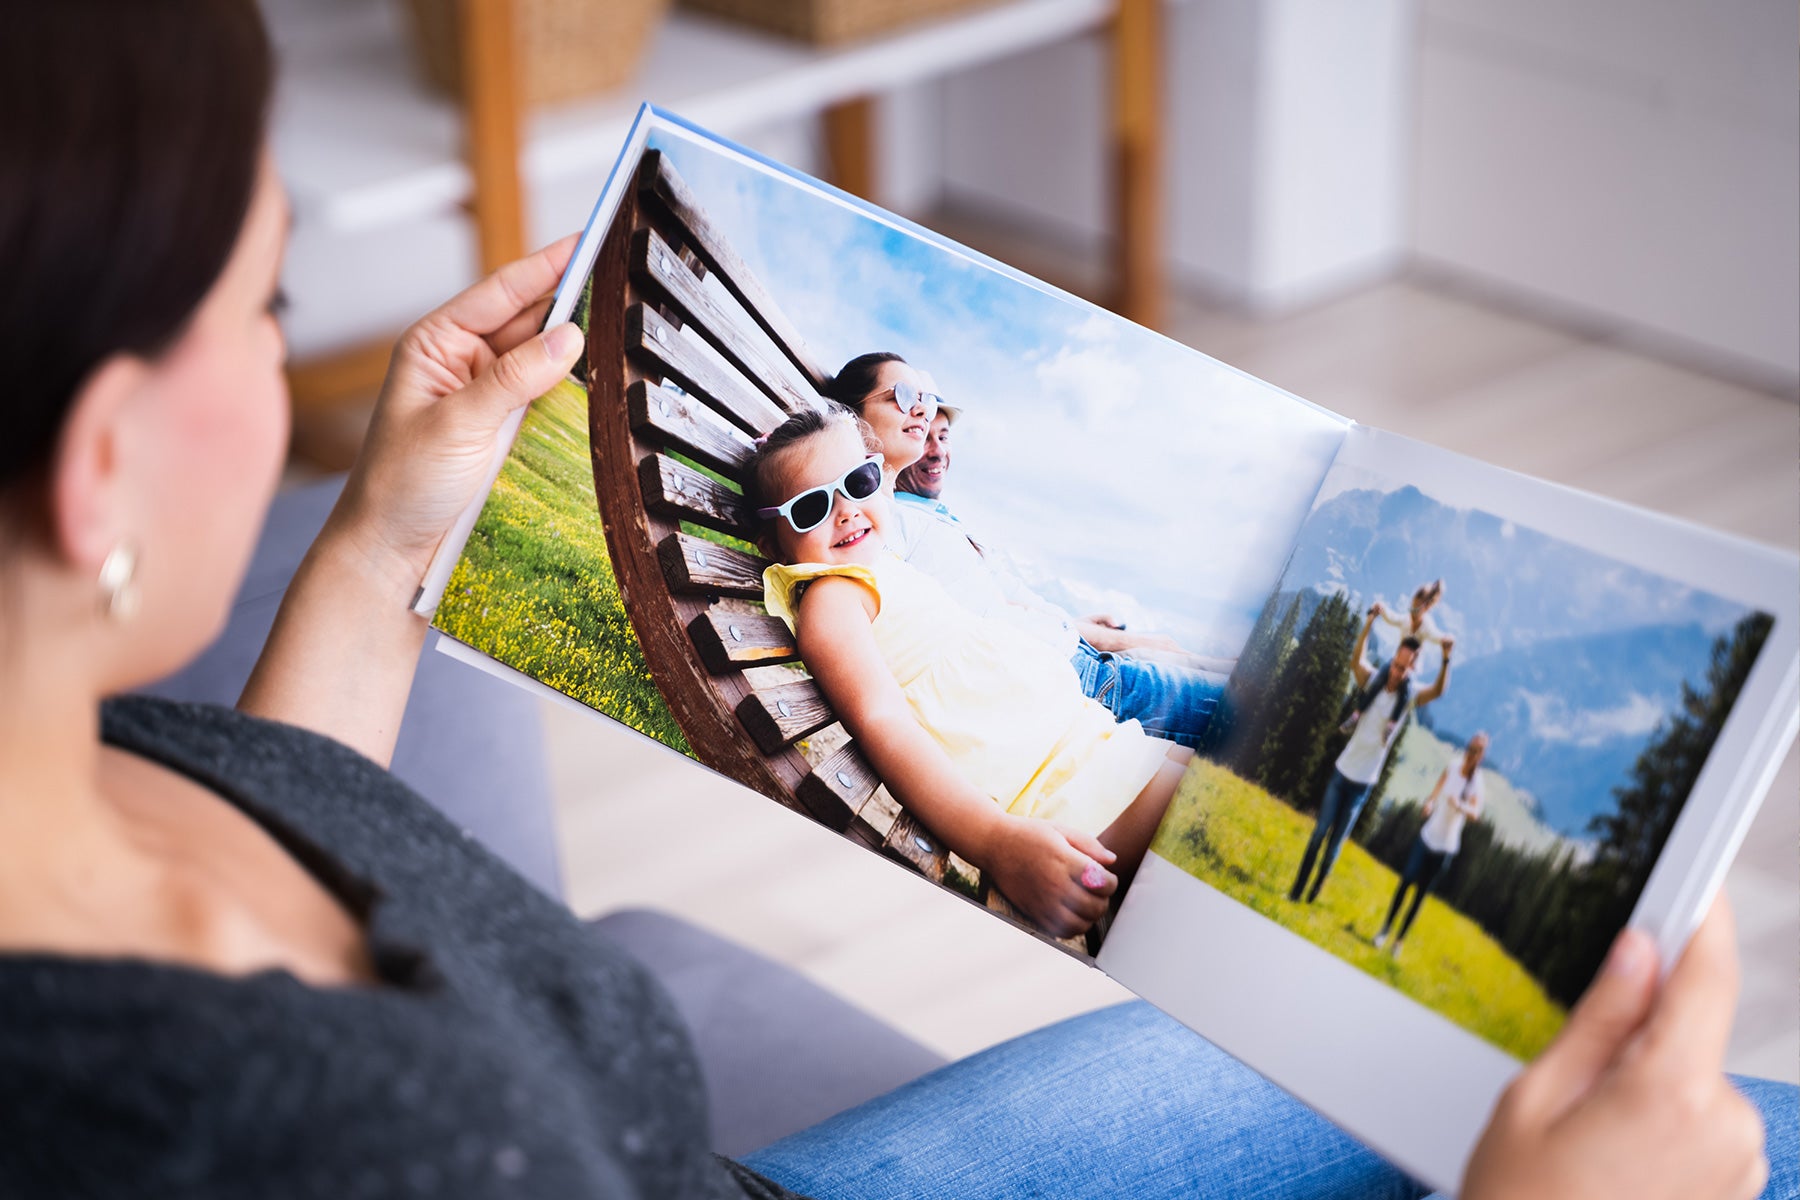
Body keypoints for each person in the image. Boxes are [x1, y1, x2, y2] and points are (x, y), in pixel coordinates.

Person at [0, 5, 1783, 1197]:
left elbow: (302, 812)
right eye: (264, 302)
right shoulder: (241, 1128)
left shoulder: (92, 771)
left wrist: (392, 530)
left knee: (1709, 1118)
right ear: (100, 465)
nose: (294, 353)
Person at [748, 404, 1192, 938]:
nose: (845, 511)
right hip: (1065, 797)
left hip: (1093, 748)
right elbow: (882, 720)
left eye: (858, 481)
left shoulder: (880, 568)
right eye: (811, 507)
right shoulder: (831, 599)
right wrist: (995, 840)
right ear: (772, 542)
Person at [824, 352, 1230, 749]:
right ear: (852, 418)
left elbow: (987, 605)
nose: (922, 414)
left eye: (926, 403)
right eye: (903, 396)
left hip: (1069, 666)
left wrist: (1067, 623)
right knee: (1253, 708)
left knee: (1236, 690)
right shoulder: (878, 525)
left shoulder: (900, 515)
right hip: (1071, 682)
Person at [1290, 606, 1455, 904]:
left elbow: (1439, 691)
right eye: (1396, 664)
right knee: (1319, 834)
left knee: (1334, 846)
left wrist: (1445, 659)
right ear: (1393, 659)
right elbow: (1356, 659)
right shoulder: (1374, 680)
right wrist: (1368, 624)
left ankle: (1313, 893)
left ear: (1411, 670)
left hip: (1362, 786)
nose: (1397, 672)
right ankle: (1296, 890)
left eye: (1404, 669)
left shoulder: (1408, 698)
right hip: (1342, 774)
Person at [1374, 733, 1490, 958]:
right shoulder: (1454, 766)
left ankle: (1398, 942)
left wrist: (1461, 806)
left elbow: (1476, 813)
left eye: (1477, 751)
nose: (1471, 753)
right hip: (1428, 836)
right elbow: (1436, 791)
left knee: (1420, 895)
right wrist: (1429, 804)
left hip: (1446, 847)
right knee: (1406, 880)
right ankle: (1385, 929)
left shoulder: (1477, 782)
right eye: (1470, 747)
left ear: (1481, 756)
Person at [1376, 579, 1451, 648]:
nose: (1413, 613)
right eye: (1413, 608)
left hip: (1413, 661)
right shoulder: (1406, 619)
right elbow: (1392, 618)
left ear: (1426, 608)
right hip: (1398, 659)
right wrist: (1382, 608)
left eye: (1417, 610)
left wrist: (1445, 639)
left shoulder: (1426, 625)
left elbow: (1436, 636)